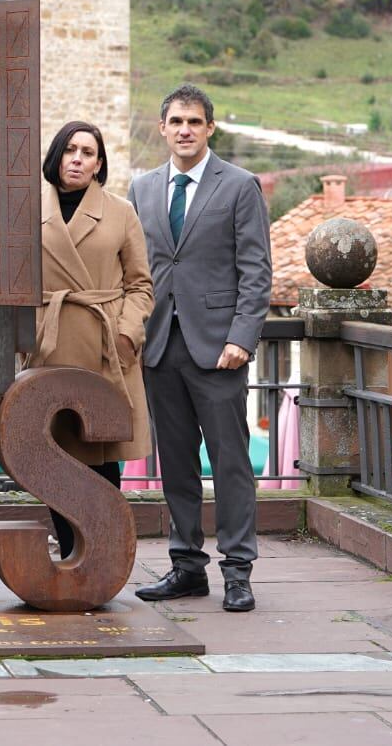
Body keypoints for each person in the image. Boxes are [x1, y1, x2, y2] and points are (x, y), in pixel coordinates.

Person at [130, 84, 272, 613]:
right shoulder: (141, 189)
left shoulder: (238, 186)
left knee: (231, 461)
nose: (185, 130)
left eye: (194, 121)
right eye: (176, 122)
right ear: (162, 129)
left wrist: (242, 337)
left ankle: (239, 570)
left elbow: (256, 270)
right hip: (160, 345)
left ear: (210, 128)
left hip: (218, 349)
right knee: (177, 465)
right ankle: (186, 566)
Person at [25, 120, 153, 562]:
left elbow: (141, 286)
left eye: (88, 152)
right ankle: (69, 556)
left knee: (101, 456)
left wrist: (125, 334)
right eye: (70, 150)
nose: (77, 159)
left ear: (100, 164)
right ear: (56, 155)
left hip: (104, 348)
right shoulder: (27, 207)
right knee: (53, 454)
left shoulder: (120, 211)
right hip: (51, 345)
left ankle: (102, 558)